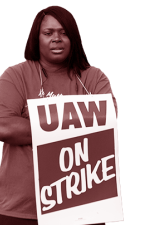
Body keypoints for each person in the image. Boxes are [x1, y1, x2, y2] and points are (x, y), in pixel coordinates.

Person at [0, 5, 117, 225]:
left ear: (74, 39)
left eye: (64, 33)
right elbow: (5, 127)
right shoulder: (15, 75)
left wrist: (33, 123)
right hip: (22, 207)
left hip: (84, 203)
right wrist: (78, 122)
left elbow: (106, 121)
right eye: (48, 33)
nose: (57, 39)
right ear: (37, 38)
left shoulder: (94, 77)